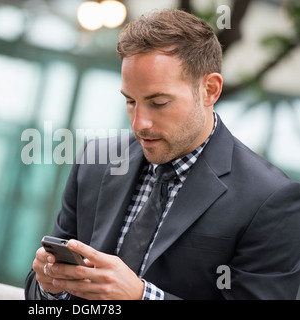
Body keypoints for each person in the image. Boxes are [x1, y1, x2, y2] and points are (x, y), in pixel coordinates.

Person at [24, 8, 300, 300]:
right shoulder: (94, 162)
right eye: (130, 101)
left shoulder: (271, 200)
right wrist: (49, 286)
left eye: (158, 102)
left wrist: (141, 297)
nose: (139, 122)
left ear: (210, 90)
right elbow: (37, 295)